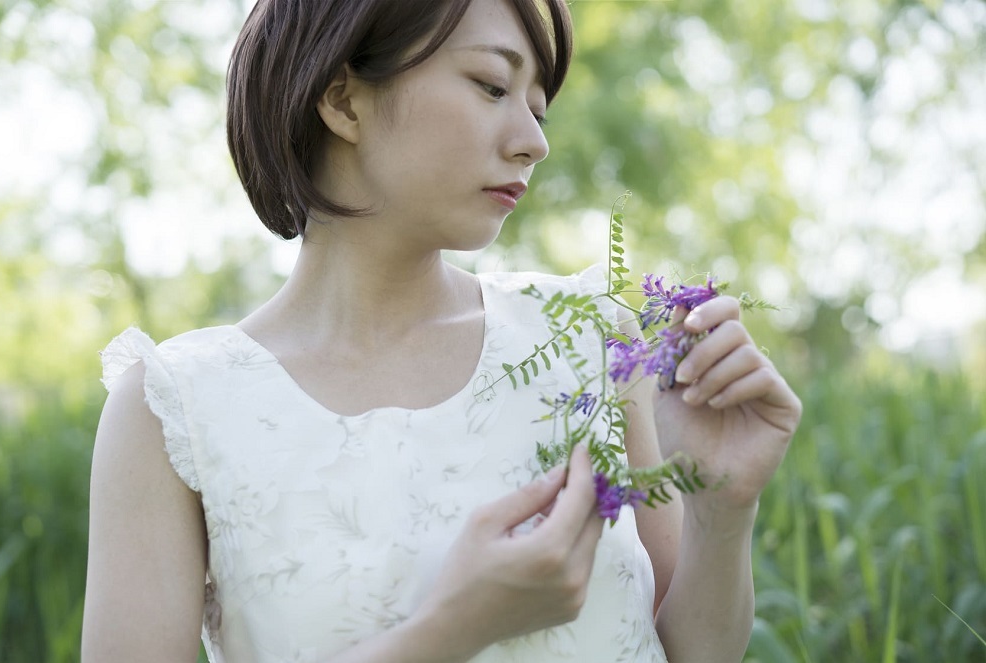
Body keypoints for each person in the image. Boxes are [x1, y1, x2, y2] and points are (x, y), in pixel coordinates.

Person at [82, 0, 802, 661]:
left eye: (538, 109)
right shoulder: (175, 409)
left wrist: (724, 509)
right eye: (492, 86)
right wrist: (455, 625)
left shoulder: (589, 337)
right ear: (342, 98)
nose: (532, 142)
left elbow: (692, 652)